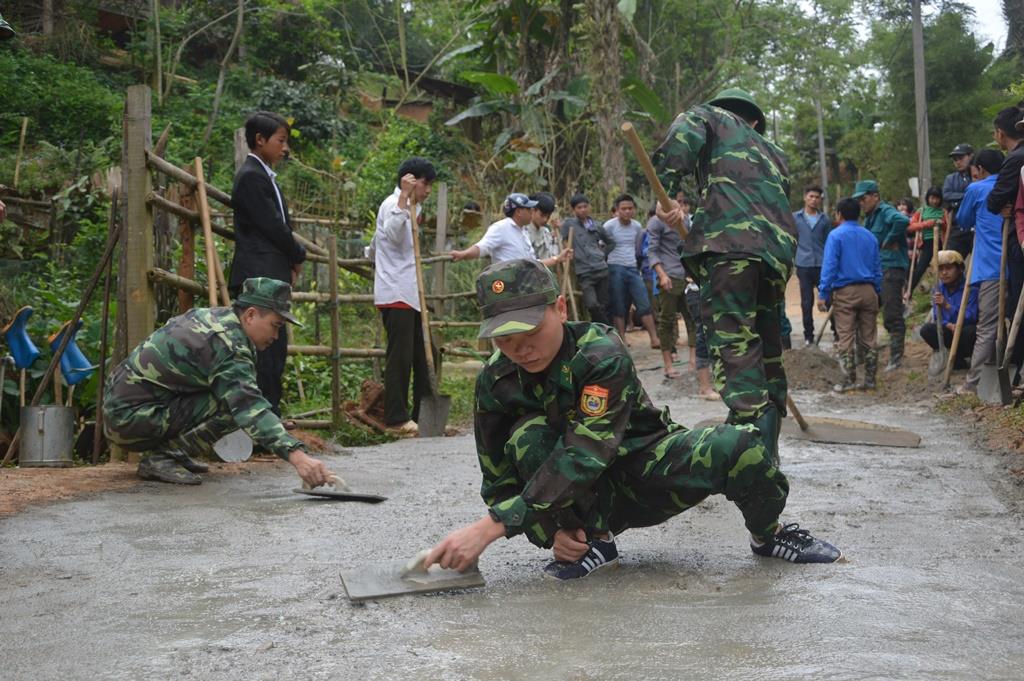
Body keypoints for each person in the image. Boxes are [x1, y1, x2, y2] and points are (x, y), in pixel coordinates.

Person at [422, 259, 842, 580]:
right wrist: (550, 533)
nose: (521, 349)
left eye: (531, 333)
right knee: (528, 438)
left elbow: (585, 451)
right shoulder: (495, 380)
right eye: (505, 341)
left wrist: (492, 527)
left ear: (561, 308)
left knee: (741, 445)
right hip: (580, 500)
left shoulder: (599, 352)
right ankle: (592, 543)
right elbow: (498, 476)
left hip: (646, 470)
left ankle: (769, 535)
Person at [652, 87, 797, 462]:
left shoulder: (711, 117)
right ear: (755, 121)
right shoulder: (775, 154)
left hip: (730, 251)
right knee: (767, 350)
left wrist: (664, 193)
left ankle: (750, 453)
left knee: (734, 344)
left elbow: (684, 133)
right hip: (775, 257)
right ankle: (768, 447)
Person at [103, 278, 332, 486]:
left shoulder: (215, 318)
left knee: (235, 400)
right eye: (276, 325)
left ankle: (173, 453)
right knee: (234, 408)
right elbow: (248, 407)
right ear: (250, 315)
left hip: (125, 411)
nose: (276, 336)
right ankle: (163, 458)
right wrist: (299, 457)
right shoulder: (230, 346)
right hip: (129, 420)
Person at [228, 112, 307, 416]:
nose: (285, 148)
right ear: (260, 140)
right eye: (281, 140)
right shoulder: (251, 177)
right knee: (262, 349)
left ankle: (270, 415)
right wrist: (298, 253)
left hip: (270, 273)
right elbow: (273, 226)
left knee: (274, 347)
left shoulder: (263, 176)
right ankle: (260, 418)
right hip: (259, 275)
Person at [372, 156, 437, 435]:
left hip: (411, 293)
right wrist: (403, 201)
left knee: (424, 354)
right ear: (410, 180)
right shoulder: (393, 204)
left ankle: (423, 414)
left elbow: (377, 245)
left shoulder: (415, 207)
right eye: (426, 183)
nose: (429, 189)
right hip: (396, 291)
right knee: (400, 357)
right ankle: (396, 418)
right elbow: (393, 235)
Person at [956, 149, 1008, 395]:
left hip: (991, 267)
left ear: (980, 169)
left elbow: (963, 220)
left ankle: (972, 383)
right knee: (1004, 322)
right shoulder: (1013, 183)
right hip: (1013, 263)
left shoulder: (976, 189)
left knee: (987, 326)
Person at [816, 198, 882, 392]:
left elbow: (829, 266)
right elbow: (877, 267)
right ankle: (870, 379)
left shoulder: (836, 236)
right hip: (869, 290)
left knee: (845, 336)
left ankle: (849, 380)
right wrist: (877, 291)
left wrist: (823, 293)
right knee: (869, 337)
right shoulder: (870, 236)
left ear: (839, 214)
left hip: (845, 292)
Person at [854, 180, 909, 372]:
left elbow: (902, 220)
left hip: (891, 268)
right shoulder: (869, 218)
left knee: (892, 314)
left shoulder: (884, 211)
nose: (861, 202)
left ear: (875, 196)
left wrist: (889, 239)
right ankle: (864, 356)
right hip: (874, 272)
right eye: (859, 199)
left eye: (864, 198)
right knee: (863, 311)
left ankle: (896, 358)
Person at [646, 204, 698, 378]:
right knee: (666, 320)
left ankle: (694, 360)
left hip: (687, 274)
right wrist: (661, 275)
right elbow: (652, 251)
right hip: (669, 275)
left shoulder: (685, 219)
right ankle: (668, 364)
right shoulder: (655, 223)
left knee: (693, 318)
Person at [450, 193, 571, 268]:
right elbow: (482, 247)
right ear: (518, 212)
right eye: (528, 209)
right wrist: (463, 254)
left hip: (523, 286)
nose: (531, 212)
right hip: (507, 287)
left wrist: (557, 259)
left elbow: (533, 264)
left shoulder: (523, 232)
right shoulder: (501, 228)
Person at [603, 194, 659, 348]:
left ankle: (654, 338)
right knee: (619, 305)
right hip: (615, 267)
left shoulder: (636, 226)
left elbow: (639, 247)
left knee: (643, 302)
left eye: (630, 208)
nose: (627, 211)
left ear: (634, 209)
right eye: (623, 209)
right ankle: (621, 339)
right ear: (617, 210)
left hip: (633, 268)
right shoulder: (609, 226)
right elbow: (601, 246)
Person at [561, 193, 613, 324]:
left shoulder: (596, 225)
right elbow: (563, 240)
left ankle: (602, 331)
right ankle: (606, 328)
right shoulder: (569, 224)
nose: (583, 209)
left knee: (603, 304)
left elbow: (611, 242)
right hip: (584, 271)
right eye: (579, 207)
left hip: (601, 269)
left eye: (585, 206)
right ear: (573, 210)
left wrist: (602, 254)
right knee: (591, 304)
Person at [920, 250, 978, 369]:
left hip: (965, 332)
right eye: (941, 269)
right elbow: (937, 316)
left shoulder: (971, 289)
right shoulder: (938, 289)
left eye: (949, 268)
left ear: (960, 269)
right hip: (949, 331)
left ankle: (968, 357)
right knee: (927, 330)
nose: (944, 273)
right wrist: (947, 324)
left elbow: (972, 316)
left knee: (970, 332)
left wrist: (948, 307)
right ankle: (954, 359)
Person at [793, 186, 833, 345]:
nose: (814, 199)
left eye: (817, 197)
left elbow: (829, 242)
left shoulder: (825, 220)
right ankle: (808, 336)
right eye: (811, 196)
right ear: (805, 197)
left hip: (822, 264)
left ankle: (836, 333)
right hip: (803, 264)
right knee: (806, 302)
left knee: (829, 299)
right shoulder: (795, 218)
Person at [907, 187, 945, 293]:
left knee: (942, 268)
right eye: (932, 198)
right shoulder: (921, 211)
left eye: (937, 198)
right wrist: (927, 223)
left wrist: (943, 224)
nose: (934, 201)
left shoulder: (943, 212)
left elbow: (947, 227)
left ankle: (941, 293)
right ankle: (908, 292)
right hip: (927, 242)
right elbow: (910, 227)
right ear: (928, 198)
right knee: (920, 268)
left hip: (941, 242)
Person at [943, 143, 975, 258]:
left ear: (971, 156)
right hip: (957, 227)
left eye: (961, 158)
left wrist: (957, 200)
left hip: (978, 227)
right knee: (950, 261)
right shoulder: (951, 178)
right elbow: (946, 195)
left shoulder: (978, 174)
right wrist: (967, 196)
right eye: (955, 159)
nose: (958, 162)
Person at [525, 192, 561, 261]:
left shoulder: (546, 232)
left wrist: (555, 239)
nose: (545, 219)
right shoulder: (523, 231)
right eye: (542, 215)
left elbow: (552, 256)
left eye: (548, 216)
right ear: (533, 211)